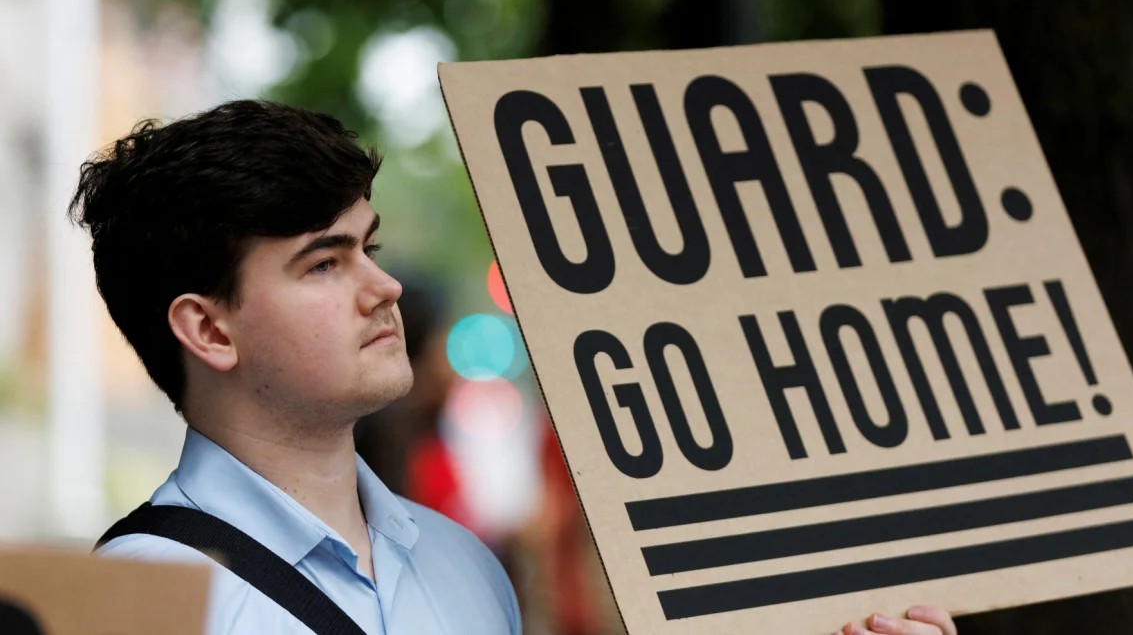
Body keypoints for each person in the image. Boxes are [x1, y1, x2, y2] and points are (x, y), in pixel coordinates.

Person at [74, 100, 956, 635]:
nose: (383, 287)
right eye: (324, 262)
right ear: (208, 329)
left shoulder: (463, 566)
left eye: (369, 247)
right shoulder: (135, 601)